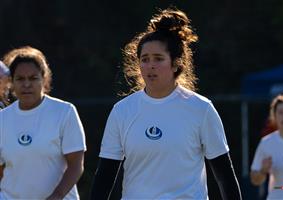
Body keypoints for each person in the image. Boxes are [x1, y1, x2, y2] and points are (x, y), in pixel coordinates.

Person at [90, 8, 242, 200]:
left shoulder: (201, 109)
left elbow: (225, 177)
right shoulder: (122, 111)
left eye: (158, 59)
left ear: (176, 63)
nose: (150, 65)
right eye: (144, 59)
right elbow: (104, 176)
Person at [0, 46, 86, 199]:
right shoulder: (2, 118)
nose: (26, 84)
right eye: (20, 79)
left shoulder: (65, 112)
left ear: (44, 79)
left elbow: (76, 165)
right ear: (11, 82)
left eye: (33, 78)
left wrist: (57, 196)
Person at [250, 93, 283, 199]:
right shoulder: (266, 143)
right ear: (274, 116)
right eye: (280, 113)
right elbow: (255, 179)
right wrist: (263, 171)